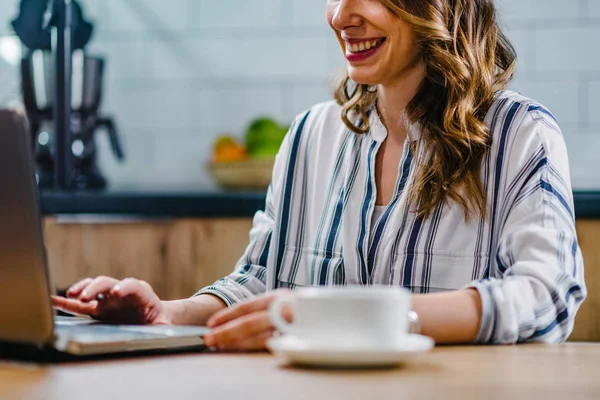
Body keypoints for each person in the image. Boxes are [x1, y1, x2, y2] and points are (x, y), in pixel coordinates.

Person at [52, 0, 586, 351]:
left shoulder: (520, 135)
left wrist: (346, 318)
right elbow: (262, 281)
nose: (340, 15)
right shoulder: (311, 136)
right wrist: (166, 314)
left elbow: (548, 298)